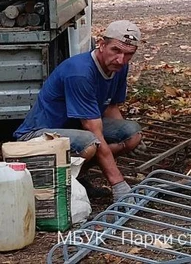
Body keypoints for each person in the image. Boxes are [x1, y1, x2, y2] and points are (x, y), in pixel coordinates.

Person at [14, 20, 144, 201]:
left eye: (128, 54)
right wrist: (118, 184)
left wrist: (127, 141)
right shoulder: (80, 72)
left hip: (77, 129)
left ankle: (78, 180)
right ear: (101, 44)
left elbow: (111, 108)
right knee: (89, 144)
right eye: (115, 50)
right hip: (38, 135)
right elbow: (93, 131)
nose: (121, 59)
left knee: (132, 133)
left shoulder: (119, 67)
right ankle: (60, 190)